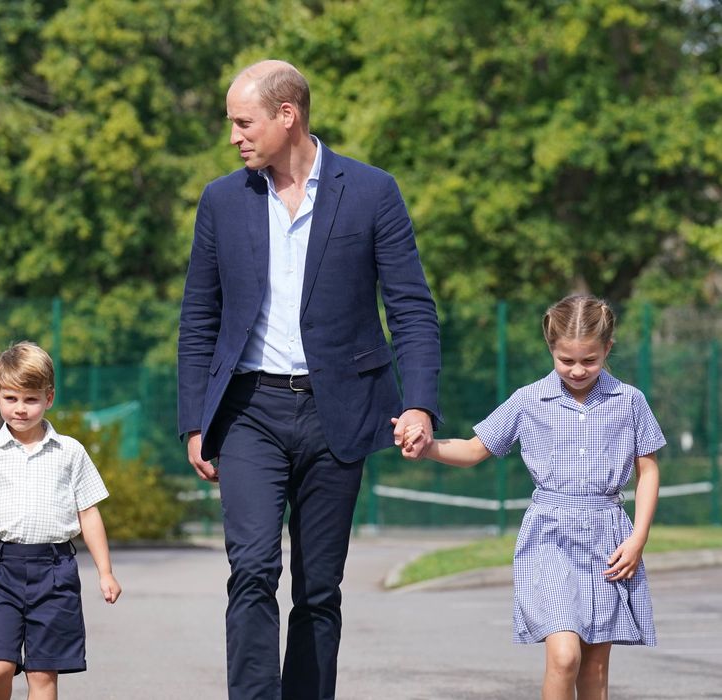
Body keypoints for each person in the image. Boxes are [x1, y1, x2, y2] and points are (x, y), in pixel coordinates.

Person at [177, 59, 441, 699]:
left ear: (286, 116)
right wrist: (193, 420)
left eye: (244, 122)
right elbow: (198, 317)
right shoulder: (221, 200)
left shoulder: (373, 191)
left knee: (319, 588)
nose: (234, 136)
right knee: (252, 571)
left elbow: (410, 307)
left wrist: (421, 405)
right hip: (248, 412)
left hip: (340, 413)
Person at [399, 295, 662, 700]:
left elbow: (648, 470)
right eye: (566, 360)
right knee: (564, 657)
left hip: (608, 539)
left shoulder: (630, 402)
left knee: (594, 667)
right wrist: (427, 446)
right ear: (551, 349)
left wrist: (638, 538)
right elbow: (473, 449)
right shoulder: (528, 400)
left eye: (589, 361)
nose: (577, 370)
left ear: (608, 349)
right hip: (549, 538)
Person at [0, 341, 120, 700]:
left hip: (56, 571)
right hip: (4, 569)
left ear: (49, 398)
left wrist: (105, 571)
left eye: (30, 399)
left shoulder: (70, 451)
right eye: (11, 398)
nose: (20, 409)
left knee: (42, 673)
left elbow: (88, 511)